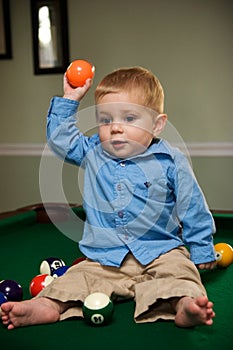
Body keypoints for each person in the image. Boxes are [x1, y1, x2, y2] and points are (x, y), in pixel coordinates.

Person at [1, 66, 217, 330]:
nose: (115, 128)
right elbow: (61, 140)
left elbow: (192, 205)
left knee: (182, 274)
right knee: (75, 278)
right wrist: (71, 98)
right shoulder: (92, 152)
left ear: (157, 124)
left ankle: (185, 306)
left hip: (162, 251)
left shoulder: (171, 160)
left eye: (129, 118)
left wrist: (201, 247)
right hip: (105, 259)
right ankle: (45, 306)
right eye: (105, 119)